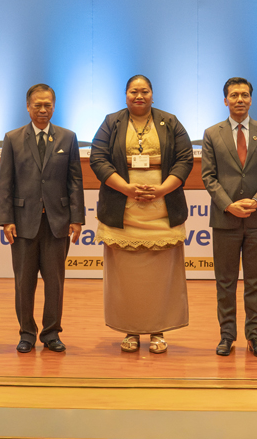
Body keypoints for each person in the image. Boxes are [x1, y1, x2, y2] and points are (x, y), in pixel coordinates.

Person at [90, 75, 192, 354]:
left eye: (144, 91)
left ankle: (158, 330)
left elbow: (185, 160)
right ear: (125, 95)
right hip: (123, 212)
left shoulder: (170, 121)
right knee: (127, 280)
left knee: (161, 278)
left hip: (162, 211)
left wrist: (161, 190)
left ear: (152, 94)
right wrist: (126, 188)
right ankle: (131, 330)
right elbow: (97, 159)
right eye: (133, 91)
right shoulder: (111, 122)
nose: (139, 96)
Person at [0, 84, 84, 353]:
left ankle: (51, 333)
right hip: (23, 222)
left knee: (55, 283)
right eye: (38, 105)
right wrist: (6, 220)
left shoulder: (68, 138)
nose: (43, 110)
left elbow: (75, 181)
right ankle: (26, 333)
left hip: (57, 222)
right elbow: (6, 183)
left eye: (48, 105)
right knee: (24, 283)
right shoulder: (12, 138)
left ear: (54, 106)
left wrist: (77, 218)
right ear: (28, 107)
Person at [201, 77, 257, 358]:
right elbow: (208, 177)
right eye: (234, 95)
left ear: (251, 99)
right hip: (225, 219)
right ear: (225, 100)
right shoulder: (212, 134)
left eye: (245, 95)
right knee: (225, 282)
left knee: (256, 282)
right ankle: (227, 336)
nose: (240, 99)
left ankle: (255, 336)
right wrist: (229, 205)